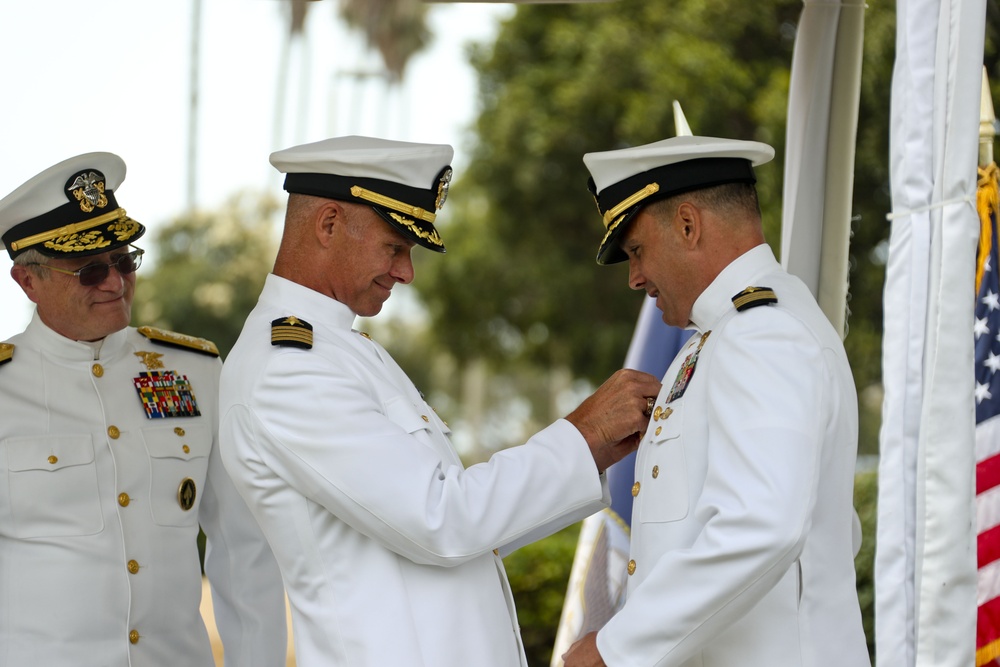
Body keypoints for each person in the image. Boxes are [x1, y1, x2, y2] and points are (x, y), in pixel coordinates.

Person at [218, 135, 662, 667]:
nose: (405, 272)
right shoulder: (289, 366)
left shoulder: (342, 350)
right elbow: (442, 521)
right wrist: (582, 434)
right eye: (394, 247)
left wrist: (592, 453)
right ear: (329, 223)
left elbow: (470, 532)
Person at [562, 135, 871, 667]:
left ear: (688, 224)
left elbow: (761, 525)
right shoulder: (723, 336)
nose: (635, 277)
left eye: (636, 251)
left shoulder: (763, 334)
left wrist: (615, 649)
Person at [0, 152, 287, 666]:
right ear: (27, 281)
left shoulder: (195, 372)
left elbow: (243, 546)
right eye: (89, 270)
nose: (114, 282)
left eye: (124, 261)